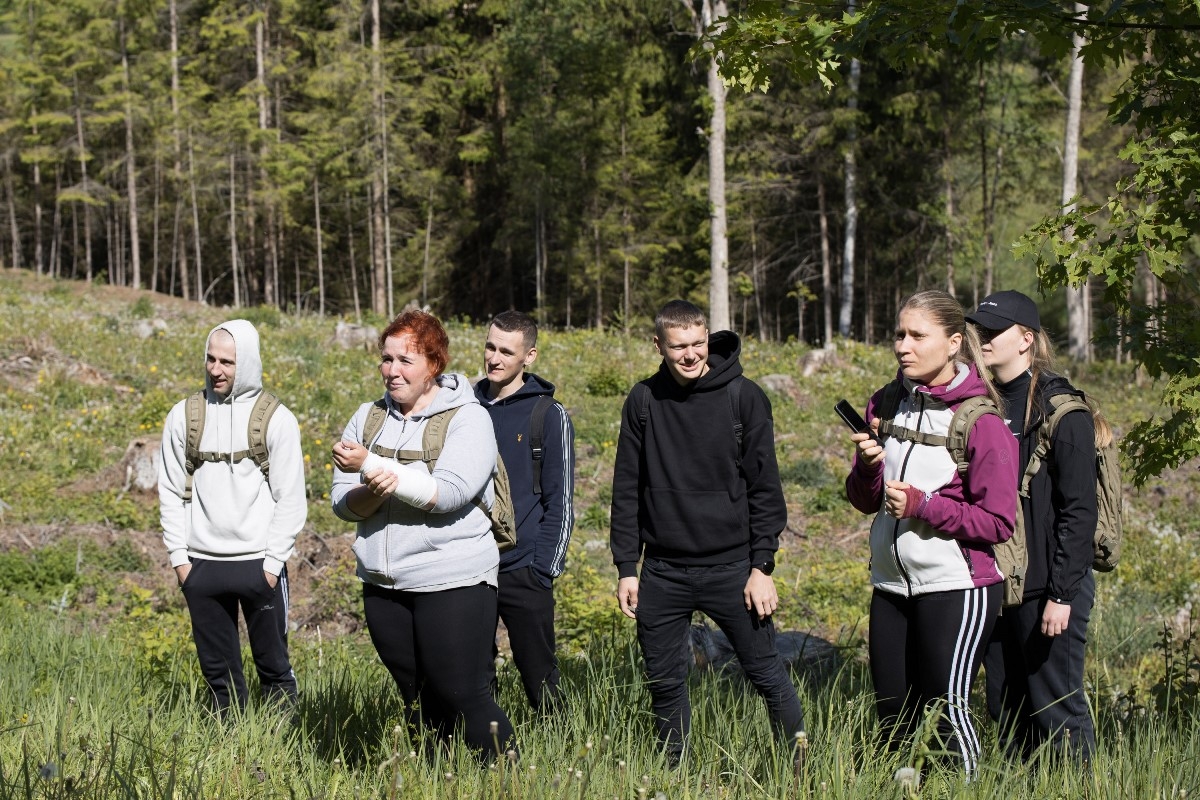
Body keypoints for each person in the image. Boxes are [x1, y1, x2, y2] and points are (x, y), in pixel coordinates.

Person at [609, 299, 805, 766]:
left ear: (708, 339)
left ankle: (801, 770)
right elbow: (626, 489)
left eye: (698, 343)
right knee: (664, 681)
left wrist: (762, 566)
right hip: (662, 570)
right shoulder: (642, 400)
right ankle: (673, 773)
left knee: (765, 672)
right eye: (679, 347)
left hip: (734, 569)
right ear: (659, 345)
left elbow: (765, 488)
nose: (691, 355)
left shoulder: (745, 397)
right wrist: (625, 567)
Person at [843, 290, 1018, 779]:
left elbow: (999, 523)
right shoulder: (885, 402)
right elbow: (862, 499)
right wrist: (868, 466)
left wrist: (924, 506)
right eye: (900, 334)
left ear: (954, 342)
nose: (903, 345)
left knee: (945, 716)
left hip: (959, 588)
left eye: (918, 336)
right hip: (892, 585)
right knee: (893, 719)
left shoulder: (982, 422)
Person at [330, 310, 516, 762]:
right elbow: (342, 503)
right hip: (384, 582)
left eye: (406, 360)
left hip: (452, 578)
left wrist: (372, 467)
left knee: (462, 690)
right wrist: (371, 490)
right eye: (386, 359)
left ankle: (510, 774)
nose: (392, 371)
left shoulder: (468, 418)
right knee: (415, 692)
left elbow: (450, 493)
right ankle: (438, 775)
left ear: (434, 363)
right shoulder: (367, 417)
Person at [968, 290, 1099, 764]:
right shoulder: (980, 404)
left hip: (1048, 587)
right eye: (977, 329)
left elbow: (1080, 511)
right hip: (995, 583)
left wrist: (1062, 595)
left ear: (1025, 339)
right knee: (1005, 705)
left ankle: (1079, 789)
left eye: (992, 330)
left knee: (1057, 707)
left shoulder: (1061, 410)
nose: (979, 337)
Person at [158, 320, 306, 717]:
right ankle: (230, 754)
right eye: (210, 358)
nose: (216, 369)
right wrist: (180, 561)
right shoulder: (183, 416)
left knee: (275, 671)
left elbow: (292, 499)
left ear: (249, 364)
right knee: (218, 678)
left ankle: (279, 751)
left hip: (259, 565)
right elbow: (170, 491)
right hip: (201, 567)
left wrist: (272, 566)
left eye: (227, 362)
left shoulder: (277, 419)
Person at [473, 311, 575, 713]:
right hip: (468, 565)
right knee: (474, 671)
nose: (494, 358)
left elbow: (561, 499)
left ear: (528, 357)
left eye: (506, 352)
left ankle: (560, 749)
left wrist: (543, 568)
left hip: (524, 566)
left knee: (539, 674)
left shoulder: (547, 415)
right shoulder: (465, 406)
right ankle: (484, 751)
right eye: (490, 347)